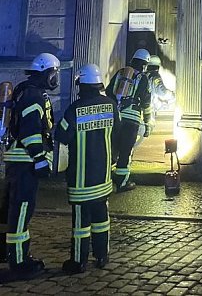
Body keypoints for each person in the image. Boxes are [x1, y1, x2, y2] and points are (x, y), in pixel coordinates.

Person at [0, 52, 60, 278]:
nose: (56, 78)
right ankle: (19, 260)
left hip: (16, 157)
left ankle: (2, 250)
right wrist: (40, 159)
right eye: (54, 73)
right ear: (46, 73)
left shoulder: (24, 90)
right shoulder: (34, 95)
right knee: (22, 209)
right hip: (26, 160)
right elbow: (31, 131)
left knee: (9, 207)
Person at [54, 63, 120, 274]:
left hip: (81, 180)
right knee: (102, 218)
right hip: (103, 178)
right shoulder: (110, 105)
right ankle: (102, 256)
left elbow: (62, 135)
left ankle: (78, 261)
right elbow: (118, 134)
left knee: (81, 224)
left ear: (81, 84)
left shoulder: (75, 109)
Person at [107, 48, 152, 191]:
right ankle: (122, 183)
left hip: (116, 118)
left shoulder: (121, 73)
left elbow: (109, 91)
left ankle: (104, 179)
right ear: (145, 64)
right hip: (132, 120)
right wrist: (148, 122)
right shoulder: (143, 78)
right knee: (126, 151)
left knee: (111, 148)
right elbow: (146, 102)